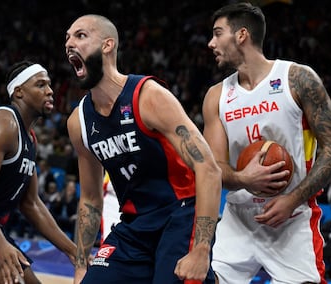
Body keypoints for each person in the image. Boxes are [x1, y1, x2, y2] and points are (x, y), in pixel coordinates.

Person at [65, 14, 222, 284]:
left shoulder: (148, 95)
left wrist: (201, 249)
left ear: (108, 45)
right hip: (134, 225)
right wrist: (81, 267)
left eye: (80, 36)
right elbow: (90, 199)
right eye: (66, 38)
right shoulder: (78, 122)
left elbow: (208, 168)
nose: (69, 43)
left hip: (180, 215)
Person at [202, 2, 331, 284]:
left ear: (241, 35)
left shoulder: (298, 79)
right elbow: (215, 167)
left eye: (218, 33)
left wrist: (293, 199)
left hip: (291, 217)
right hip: (239, 219)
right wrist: (244, 178)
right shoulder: (215, 96)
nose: (211, 43)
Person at [0, 61, 76, 284]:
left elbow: (30, 203)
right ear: (18, 92)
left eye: (50, 85)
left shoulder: (30, 139)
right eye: (40, 85)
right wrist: (0, 244)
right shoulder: (2, 123)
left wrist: (72, 250)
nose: (50, 91)